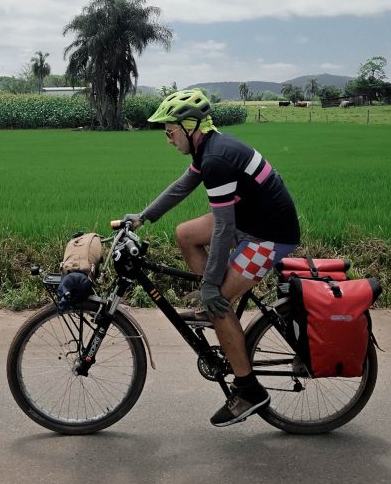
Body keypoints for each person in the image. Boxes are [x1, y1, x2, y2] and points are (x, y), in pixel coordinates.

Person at [124, 88, 300, 427]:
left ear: (190, 127)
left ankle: (249, 390)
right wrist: (143, 217)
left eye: (170, 131)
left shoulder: (218, 158)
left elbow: (222, 229)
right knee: (185, 234)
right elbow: (182, 186)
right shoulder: (208, 149)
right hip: (248, 220)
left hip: (270, 235)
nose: (168, 139)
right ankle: (218, 308)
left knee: (217, 300)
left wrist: (210, 286)